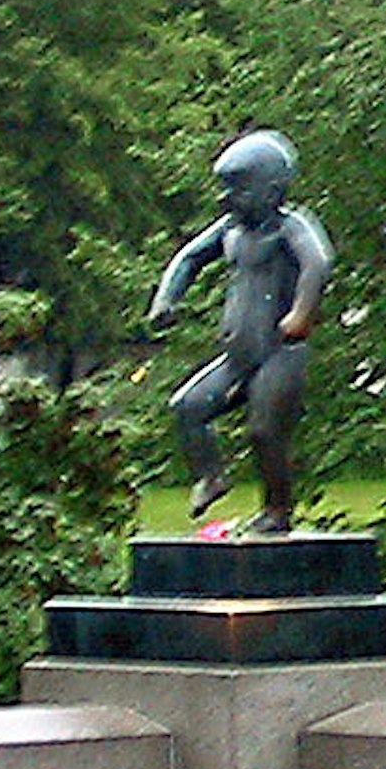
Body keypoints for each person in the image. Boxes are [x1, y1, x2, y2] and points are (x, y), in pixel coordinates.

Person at [146, 130, 333, 535]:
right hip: (238, 356)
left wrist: (302, 313)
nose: (226, 200)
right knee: (188, 407)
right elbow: (189, 258)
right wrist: (166, 299)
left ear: (271, 190)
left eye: (238, 190)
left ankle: (277, 510)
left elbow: (317, 264)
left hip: (279, 352)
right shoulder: (229, 229)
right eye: (225, 190)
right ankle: (211, 476)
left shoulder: (290, 227)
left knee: (264, 432)